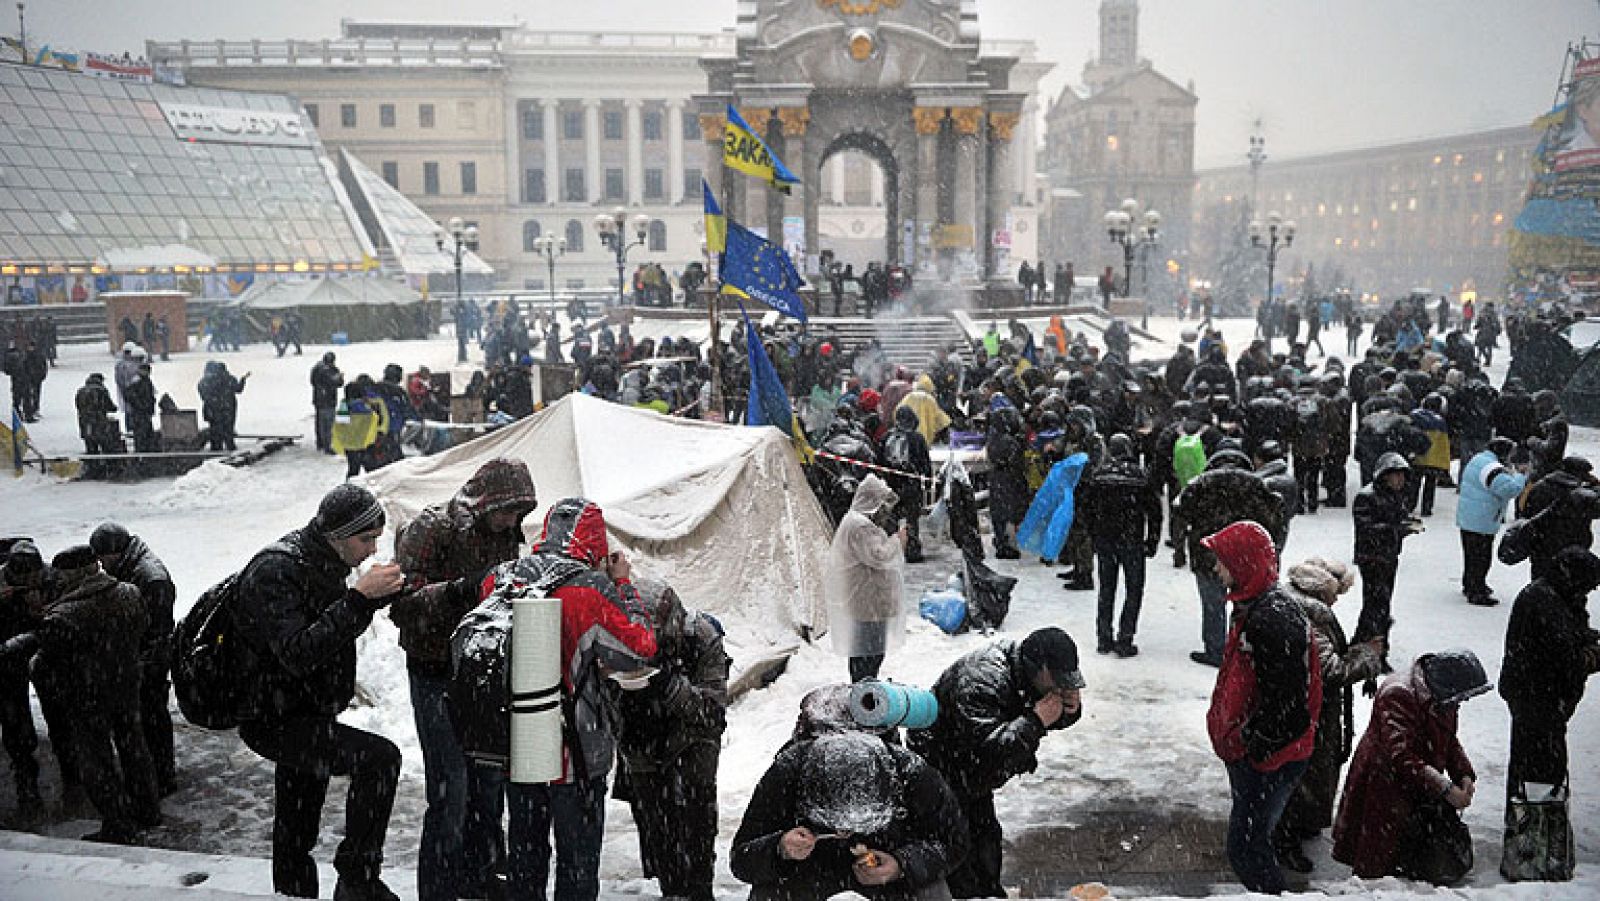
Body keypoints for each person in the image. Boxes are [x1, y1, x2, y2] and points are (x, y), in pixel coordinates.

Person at [454, 497, 657, 901]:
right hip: (575, 752)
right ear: (595, 542)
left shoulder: (502, 577)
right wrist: (623, 584)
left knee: (525, 860)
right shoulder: (590, 588)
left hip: (519, 744)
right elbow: (640, 648)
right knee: (577, 864)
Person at [233, 484, 406, 900]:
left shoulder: (322, 562)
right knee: (380, 760)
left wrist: (377, 596)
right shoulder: (277, 570)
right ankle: (357, 879)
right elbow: (297, 652)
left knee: (296, 821)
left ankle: (294, 890)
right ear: (336, 535)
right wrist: (360, 600)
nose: (370, 550)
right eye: (365, 539)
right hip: (273, 717)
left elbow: (327, 626)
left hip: (305, 713)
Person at [390, 459, 538, 901]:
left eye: (519, 513)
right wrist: (462, 590)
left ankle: (481, 875)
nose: (514, 522)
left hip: (481, 674)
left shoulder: (505, 532)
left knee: (487, 784)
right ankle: (437, 888)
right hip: (434, 670)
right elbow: (402, 604)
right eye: (508, 511)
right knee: (450, 788)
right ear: (486, 502)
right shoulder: (432, 528)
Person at [0, 545, 159, 844]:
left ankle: (117, 824)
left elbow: (44, 661)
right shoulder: (128, 592)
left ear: (73, 575)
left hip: (87, 699)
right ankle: (147, 809)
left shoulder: (63, 615)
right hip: (126, 687)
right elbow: (142, 629)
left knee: (97, 762)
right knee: (134, 749)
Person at [910, 627, 1085, 898]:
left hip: (974, 777)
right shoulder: (981, 681)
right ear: (1038, 668)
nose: (1061, 688)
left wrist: (1067, 711)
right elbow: (988, 754)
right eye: (1058, 681)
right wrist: (1037, 720)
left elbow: (1028, 725)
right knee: (959, 849)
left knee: (987, 842)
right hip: (943, 770)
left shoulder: (1028, 675)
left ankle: (988, 891)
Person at [1199, 521, 1320, 895]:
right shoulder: (1259, 607)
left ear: (1244, 563)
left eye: (1223, 561)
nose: (1217, 569)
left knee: (1246, 848)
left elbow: (1289, 708)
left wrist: (1250, 747)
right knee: (1250, 844)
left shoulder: (1272, 618)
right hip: (1261, 756)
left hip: (1268, 761)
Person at [610, 579, 729, 901]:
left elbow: (713, 713)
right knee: (655, 821)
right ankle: (671, 888)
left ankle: (700, 888)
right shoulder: (611, 637)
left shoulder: (700, 636)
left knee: (697, 815)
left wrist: (667, 685)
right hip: (639, 734)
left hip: (693, 735)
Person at [1333, 650, 1490, 884]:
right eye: (1462, 696)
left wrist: (1463, 773)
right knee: (1377, 855)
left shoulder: (1443, 698)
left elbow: (1448, 739)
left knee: (1405, 849)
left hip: (1414, 778)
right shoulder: (1398, 694)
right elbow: (1400, 755)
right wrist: (1445, 788)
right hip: (1384, 783)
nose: (1462, 702)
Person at [1272, 557, 1385, 873]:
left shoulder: (1295, 604)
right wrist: (1367, 656)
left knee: (1301, 775)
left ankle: (1296, 828)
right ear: (1323, 590)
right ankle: (1287, 840)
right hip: (1307, 713)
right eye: (1337, 593)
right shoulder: (1311, 615)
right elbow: (1330, 671)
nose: (1338, 600)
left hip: (1300, 709)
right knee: (1303, 777)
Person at [1499, 547, 1600, 857]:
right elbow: (1564, 658)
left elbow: (1570, 635)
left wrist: (1587, 637)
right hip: (1538, 702)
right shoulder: (1545, 603)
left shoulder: (1554, 594)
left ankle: (1531, 836)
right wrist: (1592, 656)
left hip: (1535, 699)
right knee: (1540, 773)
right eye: (1590, 585)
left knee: (1533, 770)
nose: (1591, 591)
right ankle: (1534, 845)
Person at [1174, 445, 1283, 667]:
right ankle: (1244, 648)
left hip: (1207, 553)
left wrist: (1179, 548)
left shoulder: (1199, 483)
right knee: (1247, 603)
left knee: (1212, 603)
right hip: (1245, 556)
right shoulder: (1256, 484)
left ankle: (1215, 650)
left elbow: (1180, 515)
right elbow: (1274, 517)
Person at [89, 523, 177, 797]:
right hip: (141, 658)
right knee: (149, 720)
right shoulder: (133, 567)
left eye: (102, 558)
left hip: (149, 661)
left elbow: (159, 632)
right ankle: (158, 773)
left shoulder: (151, 578)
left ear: (115, 552)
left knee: (153, 719)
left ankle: (163, 777)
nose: (101, 566)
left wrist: (144, 667)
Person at [1078, 433, 1162, 657]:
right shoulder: (1140, 476)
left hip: (1106, 540)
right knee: (1134, 590)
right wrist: (1151, 541)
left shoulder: (1099, 475)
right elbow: (1155, 512)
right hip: (1131, 541)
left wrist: (1093, 534)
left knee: (1107, 589)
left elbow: (1085, 507)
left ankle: (1104, 638)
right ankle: (1125, 638)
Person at [827, 474, 907, 683]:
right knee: (868, 653)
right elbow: (878, 556)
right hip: (867, 601)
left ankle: (864, 690)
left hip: (867, 600)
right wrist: (898, 541)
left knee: (867, 651)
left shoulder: (857, 522)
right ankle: (863, 693)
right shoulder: (860, 526)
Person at [1351, 452, 1422, 651]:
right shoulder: (1367, 497)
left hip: (1388, 556)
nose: (1400, 480)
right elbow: (1366, 529)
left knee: (1381, 605)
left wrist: (1405, 526)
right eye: (1396, 475)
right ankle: (1368, 646)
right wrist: (1396, 529)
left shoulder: (1395, 496)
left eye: (1402, 476)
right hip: (1372, 559)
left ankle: (1374, 646)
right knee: (1375, 606)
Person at [0, 540, 45, 822]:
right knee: (14, 720)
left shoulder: (44, 579)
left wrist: (37, 612)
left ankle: (27, 780)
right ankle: (24, 774)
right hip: (6, 667)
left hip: (18, 665)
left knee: (19, 724)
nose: (32, 582)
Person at [1456, 438, 1528, 607]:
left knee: (1471, 555)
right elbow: (1509, 489)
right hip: (1482, 520)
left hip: (1469, 517)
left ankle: (1470, 584)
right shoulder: (1491, 468)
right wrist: (1520, 475)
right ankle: (1477, 591)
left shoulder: (1479, 460)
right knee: (1481, 558)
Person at [882, 405, 933, 563]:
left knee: (891, 519)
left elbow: (880, 462)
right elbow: (925, 463)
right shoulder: (917, 438)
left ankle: (891, 551)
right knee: (912, 520)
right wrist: (928, 480)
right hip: (911, 485)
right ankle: (911, 550)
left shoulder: (886, 437)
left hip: (892, 485)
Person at [197, 360, 247, 451]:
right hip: (228, 408)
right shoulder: (229, 379)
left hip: (212, 410)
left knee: (215, 430)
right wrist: (243, 380)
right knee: (228, 428)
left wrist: (212, 401)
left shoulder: (204, 381)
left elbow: (203, 395)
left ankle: (216, 448)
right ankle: (230, 446)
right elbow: (238, 389)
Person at [311, 353, 344, 455]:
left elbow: (314, 382)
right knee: (328, 424)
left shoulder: (316, 368)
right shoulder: (329, 370)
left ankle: (320, 442)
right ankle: (327, 445)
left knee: (320, 422)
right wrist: (338, 377)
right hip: (328, 400)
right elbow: (335, 383)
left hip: (319, 399)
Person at [125, 362, 159, 453]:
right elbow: (129, 395)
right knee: (141, 435)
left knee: (146, 434)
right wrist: (141, 405)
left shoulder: (146, 381)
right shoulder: (137, 381)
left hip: (145, 413)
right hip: (139, 413)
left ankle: (145, 453)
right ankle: (142, 454)